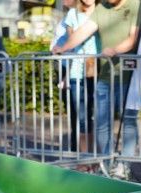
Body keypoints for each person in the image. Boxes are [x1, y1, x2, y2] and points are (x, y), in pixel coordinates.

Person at [55, 0, 141, 177]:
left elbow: (132, 40)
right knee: (102, 122)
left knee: (129, 121)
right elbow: (82, 32)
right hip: (106, 74)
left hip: (129, 74)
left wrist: (114, 50)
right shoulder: (102, 8)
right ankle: (106, 164)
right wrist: (62, 48)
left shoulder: (135, 4)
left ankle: (124, 165)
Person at [54, 0, 99, 155]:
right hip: (76, 72)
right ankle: (84, 157)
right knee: (81, 117)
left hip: (98, 71)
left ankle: (95, 156)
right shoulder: (72, 14)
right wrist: (61, 48)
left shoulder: (101, 12)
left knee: (96, 116)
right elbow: (72, 41)